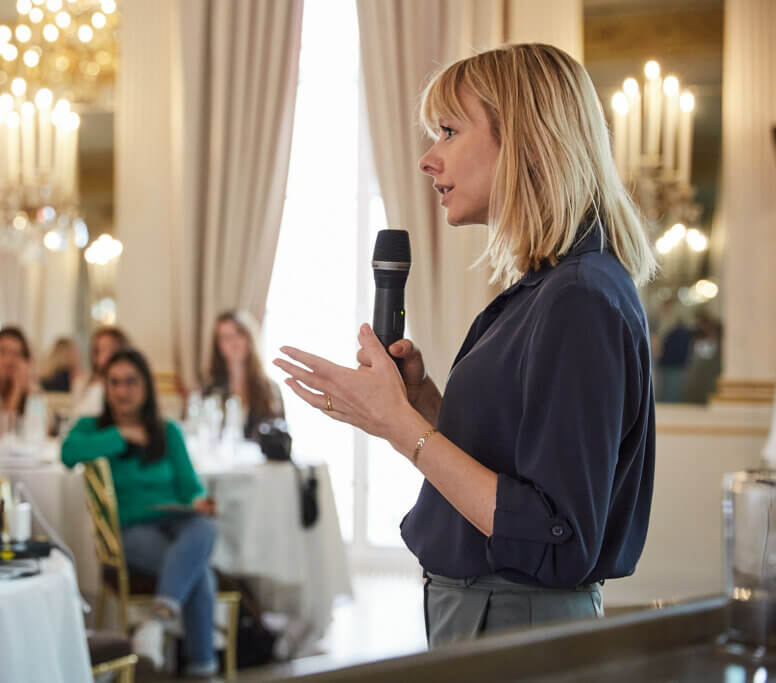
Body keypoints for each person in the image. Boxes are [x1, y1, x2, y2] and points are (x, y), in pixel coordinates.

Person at [274, 43, 656, 646]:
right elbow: (511, 464)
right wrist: (422, 402)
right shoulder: (543, 290)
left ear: (527, 139)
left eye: (449, 131)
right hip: (487, 615)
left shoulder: (579, 298)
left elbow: (552, 533)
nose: (428, 159)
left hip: (514, 624)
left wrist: (400, 426)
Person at [61, 348, 218, 677]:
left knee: (205, 526)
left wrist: (199, 501)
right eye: (114, 383)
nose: (122, 391)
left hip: (176, 522)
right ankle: (203, 671)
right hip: (129, 532)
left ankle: (157, 622)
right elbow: (68, 453)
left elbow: (190, 486)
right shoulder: (93, 428)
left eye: (130, 382)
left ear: (145, 386)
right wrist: (121, 435)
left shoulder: (168, 431)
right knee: (200, 574)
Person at [204, 311, 285, 441]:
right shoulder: (211, 388)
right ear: (218, 345)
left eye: (238, 334)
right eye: (226, 337)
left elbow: (280, 432)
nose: (233, 342)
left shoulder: (269, 388)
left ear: (249, 337)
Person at [71, 326, 130, 417]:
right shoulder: (82, 383)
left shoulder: (133, 384)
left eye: (113, 350)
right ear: (95, 356)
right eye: (103, 350)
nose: (108, 355)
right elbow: (77, 416)